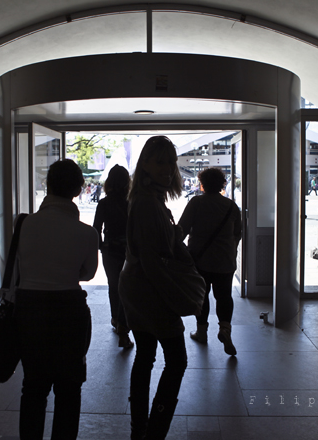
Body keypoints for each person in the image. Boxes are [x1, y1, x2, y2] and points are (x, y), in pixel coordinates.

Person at [11, 159, 99, 440]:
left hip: (29, 311)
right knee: (69, 389)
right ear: (78, 190)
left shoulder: (24, 224)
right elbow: (88, 273)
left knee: (33, 387)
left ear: (47, 185)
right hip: (70, 312)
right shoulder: (87, 233)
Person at [119, 136, 188, 440]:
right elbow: (151, 259)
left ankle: (140, 429)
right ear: (145, 163)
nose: (168, 168)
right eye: (161, 162)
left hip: (138, 288)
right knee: (177, 360)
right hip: (151, 291)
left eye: (171, 161)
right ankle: (154, 432)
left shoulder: (148, 198)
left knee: (145, 356)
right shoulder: (148, 202)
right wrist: (175, 297)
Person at [178, 168, 242, 356]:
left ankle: (202, 332)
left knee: (202, 295)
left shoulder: (196, 203)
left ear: (202, 184)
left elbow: (182, 230)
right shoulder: (231, 206)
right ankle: (225, 329)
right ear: (222, 184)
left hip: (200, 260)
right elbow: (237, 233)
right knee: (224, 296)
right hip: (225, 260)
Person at [93, 165, 133, 348]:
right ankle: (124, 327)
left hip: (110, 250)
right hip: (129, 251)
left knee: (113, 286)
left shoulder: (104, 203)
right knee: (127, 288)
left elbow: (96, 228)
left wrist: (101, 246)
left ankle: (115, 319)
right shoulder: (131, 202)